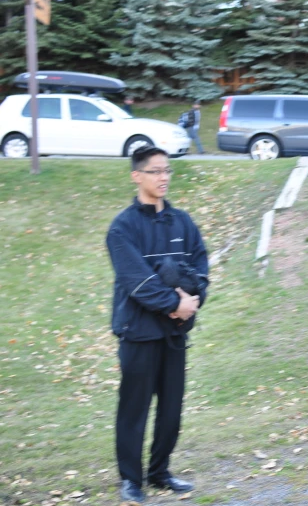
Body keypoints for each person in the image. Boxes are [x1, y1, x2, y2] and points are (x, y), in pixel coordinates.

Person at [106, 145, 209, 503]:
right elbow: (138, 281)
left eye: (167, 171)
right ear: (137, 175)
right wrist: (175, 305)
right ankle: (131, 480)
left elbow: (200, 267)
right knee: (134, 409)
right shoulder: (122, 228)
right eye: (155, 171)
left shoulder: (181, 222)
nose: (163, 177)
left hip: (174, 333)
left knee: (171, 407)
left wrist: (194, 301)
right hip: (138, 332)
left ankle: (160, 472)